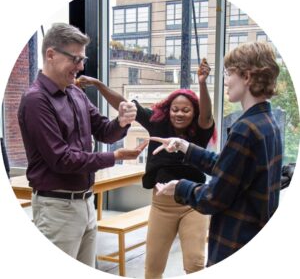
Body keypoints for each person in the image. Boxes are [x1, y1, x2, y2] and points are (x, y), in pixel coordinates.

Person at [17, 23, 147, 268]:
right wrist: (114, 156)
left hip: (86, 203)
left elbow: (105, 131)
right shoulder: (36, 100)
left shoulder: (76, 94)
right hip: (56, 209)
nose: (81, 66)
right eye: (75, 59)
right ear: (51, 55)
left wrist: (122, 120)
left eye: (82, 58)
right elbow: (62, 160)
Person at [76, 58, 216, 278]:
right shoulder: (157, 122)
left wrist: (202, 83)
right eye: (175, 109)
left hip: (193, 204)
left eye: (186, 111)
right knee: (152, 268)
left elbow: (207, 115)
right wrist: (98, 84)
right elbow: (125, 106)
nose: (179, 114)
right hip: (161, 206)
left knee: (195, 264)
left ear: (194, 113)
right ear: (169, 110)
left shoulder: (200, 129)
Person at [151, 41, 282, 267]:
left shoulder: (245, 129)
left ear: (247, 76)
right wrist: (185, 146)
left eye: (230, 73)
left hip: (235, 241)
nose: (226, 80)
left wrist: (179, 187)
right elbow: (228, 169)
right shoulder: (269, 123)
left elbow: (214, 198)